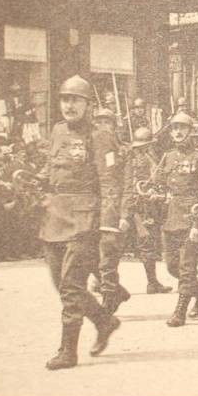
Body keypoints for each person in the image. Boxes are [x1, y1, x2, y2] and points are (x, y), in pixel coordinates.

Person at [37, 75, 122, 370]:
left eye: (76, 100)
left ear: (88, 105)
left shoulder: (100, 136)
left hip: (84, 219)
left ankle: (67, 352)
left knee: (72, 288)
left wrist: (109, 226)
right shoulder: (58, 131)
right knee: (61, 284)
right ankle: (104, 320)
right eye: (64, 99)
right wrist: (40, 186)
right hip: (54, 217)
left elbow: (111, 184)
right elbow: (51, 168)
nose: (69, 105)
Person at [153, 112, 198, 327]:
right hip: (171, 217)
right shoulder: (168, 156)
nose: (178, 132)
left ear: (191, 132)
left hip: (191, 218)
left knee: (187, 267)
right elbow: (158, 183)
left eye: (182, 128)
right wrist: (154, 193)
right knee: (172, 266)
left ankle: (180, 311)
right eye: (174, 128)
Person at [119, 127, 174, 294]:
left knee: (140, 244)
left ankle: (152, 282)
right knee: (144, 242)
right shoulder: (138, 159)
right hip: (136, 206)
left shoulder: (145, 156)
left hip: (142, 205)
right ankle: (102, 281)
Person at [90, 106, 132, 314]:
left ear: (114, 127)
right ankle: (116, 290)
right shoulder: (88, 148)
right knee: (87, 254)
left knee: (107, 254)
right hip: (91, 205)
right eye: (99, 122)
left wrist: (125, 214)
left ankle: (108, 297)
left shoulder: (123, 151)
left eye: (107, 123)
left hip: (112, 207)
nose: (102, 127)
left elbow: (128, 185)